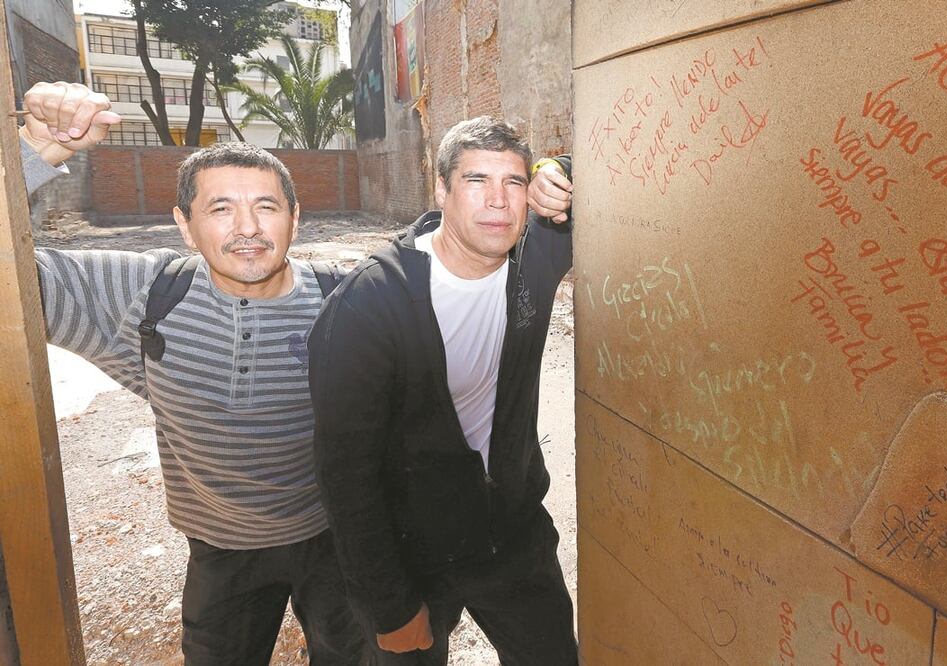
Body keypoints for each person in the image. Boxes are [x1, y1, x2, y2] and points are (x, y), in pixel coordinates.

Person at [20, 81, 368, 665]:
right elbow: (10, 277)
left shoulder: (348, 298)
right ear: (184, 224)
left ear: (295, 218)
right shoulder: (143, 293)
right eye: (220, 208)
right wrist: (33, 151)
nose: (248, 228)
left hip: (334, 538)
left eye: (265, 206)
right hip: (220, 548)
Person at [307, 116, 575, 665]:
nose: (498, 201)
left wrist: (559, 169)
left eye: (514, 183)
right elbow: (345, 475)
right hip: (414, 550)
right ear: (441, 190)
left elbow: (616, 169)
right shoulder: (370, 305)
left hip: (511, 530)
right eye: (477, 181)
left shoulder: (535, 260)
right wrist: (389, 606)